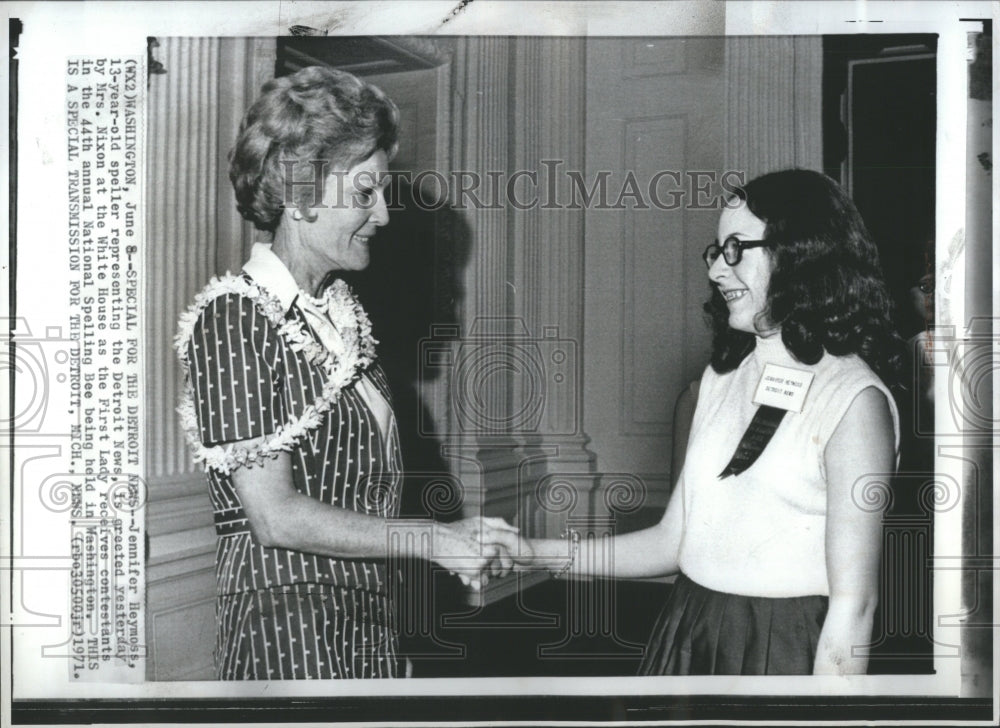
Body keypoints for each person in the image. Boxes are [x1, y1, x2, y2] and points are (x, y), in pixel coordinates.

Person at [175, 66, 517, 680]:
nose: (383, 215)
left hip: (364, 625)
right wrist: (433, 542)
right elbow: (274, 517)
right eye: (365, 193)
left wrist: (445, 542)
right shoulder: (233, 317)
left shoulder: (338, 316)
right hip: (288, 633)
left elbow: (358, 497)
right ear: (302, 192)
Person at [518, 169, 902, 675]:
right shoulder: (724, 377)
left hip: (783, 648)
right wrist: (530, 552)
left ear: (801, 253)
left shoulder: (854, 400)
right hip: (689, 629)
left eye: (737, 249)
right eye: (716, 251)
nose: (718, 271)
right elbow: (672, 542)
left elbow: (855, 606)